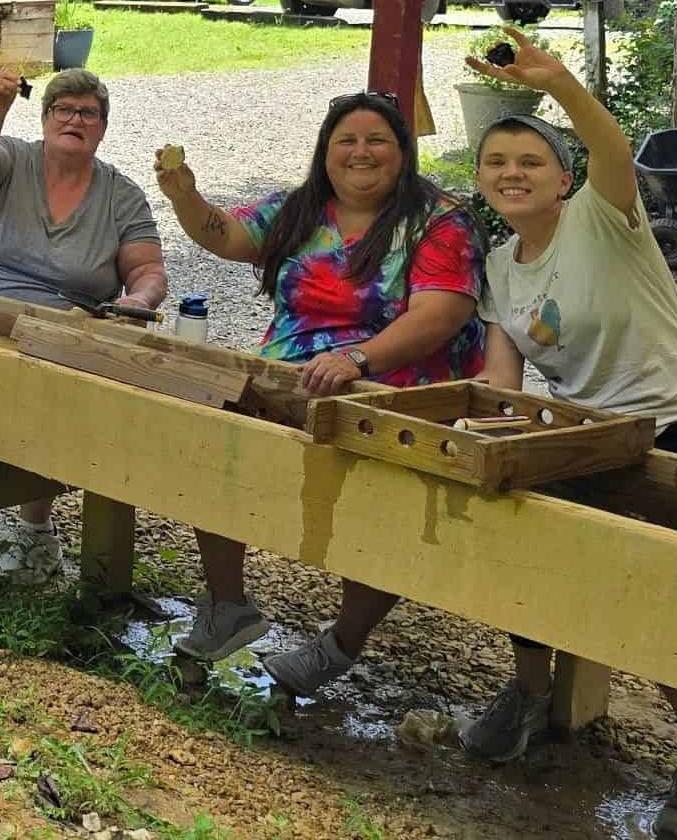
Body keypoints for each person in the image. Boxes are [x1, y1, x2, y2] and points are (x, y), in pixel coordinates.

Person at [463, 26, 677, 840]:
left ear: (562, 178)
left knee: (658, 598)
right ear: (482, 180)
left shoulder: (604, 211)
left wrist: (559, 84)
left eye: (530, 162)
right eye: (497, 163)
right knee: (520, 539)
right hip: (583, 440)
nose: (512, 174)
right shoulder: (499, 266)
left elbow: (609, 145)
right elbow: (501, 379)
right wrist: (483, 429)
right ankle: (530, 692)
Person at [154, 90, 488, 692]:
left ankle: (341, 644)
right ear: (326, 153)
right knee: (211, 443)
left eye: (376, 140)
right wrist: (184, 196)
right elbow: (229, 236)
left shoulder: (438, 220)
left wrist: (357, 357)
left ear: (403, 152)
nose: (361, 153)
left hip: (395, 388)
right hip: (292, 375)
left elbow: (443, 312)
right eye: (347, 142)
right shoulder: (301, 209)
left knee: (380, 514)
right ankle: (228, 605)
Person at [0, 66, 166, 579]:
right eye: (63, 109)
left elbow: (148, 270)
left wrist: (139, 299)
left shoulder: (122, 194)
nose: (75, 119)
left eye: (87, 113)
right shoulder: (15, 157)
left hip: (61, 326)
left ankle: (36, 533)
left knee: (51, 406)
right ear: (46, 117)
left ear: (103, 127)